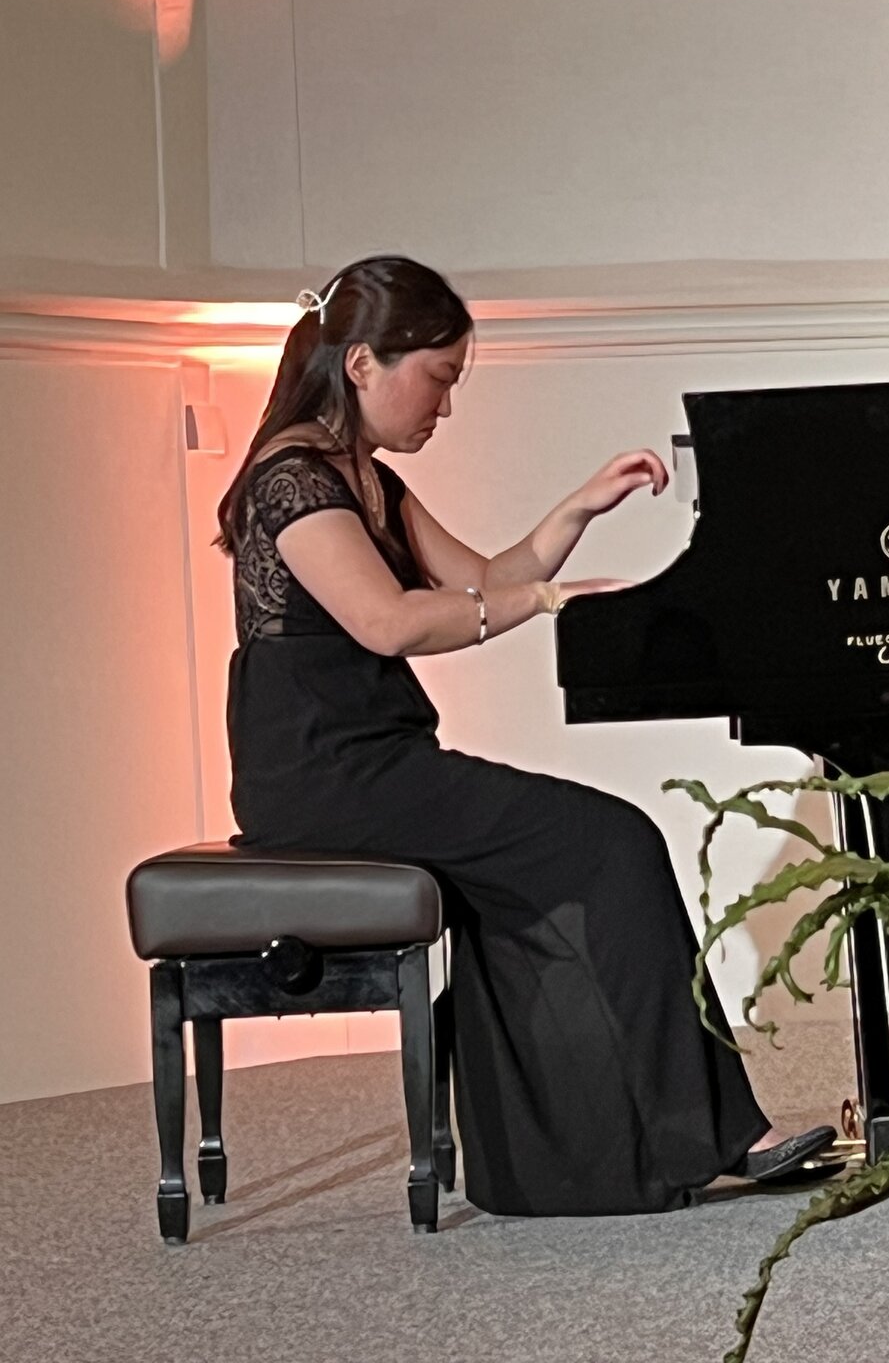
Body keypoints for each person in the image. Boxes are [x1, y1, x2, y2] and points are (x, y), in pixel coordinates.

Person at [216, 254, 834, 1216]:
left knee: (576, 854)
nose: (445, 407)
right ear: (363, 363)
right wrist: (547, 600)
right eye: (439, 378)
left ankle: (573, 1163)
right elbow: (390, 622)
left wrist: (578, 509)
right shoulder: (291, 483)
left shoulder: (363, 477)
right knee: (613, 841)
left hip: (379, 761)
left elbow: (480, 579)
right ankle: (709, 1134)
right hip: (324, 776)